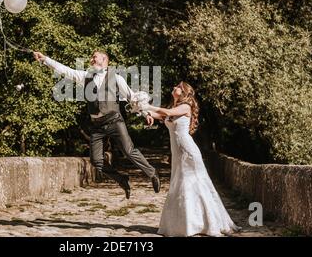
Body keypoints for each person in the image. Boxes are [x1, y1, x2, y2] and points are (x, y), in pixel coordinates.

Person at [33, 51, 160, 199]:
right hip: (97, 126)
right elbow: (66, 70)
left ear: (104, 59)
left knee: (128, 151)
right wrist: (45, 59)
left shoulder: (116, 78)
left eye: (95, 57)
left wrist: (146, 113)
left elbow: (131, 97)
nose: (91, 59)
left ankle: (152, 173)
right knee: (96, 161)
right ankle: (121, 179)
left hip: (114, 121)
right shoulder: (85, 76)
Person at [142, 81, 240, 236]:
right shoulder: (174, 108)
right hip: (177, 152)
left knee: (194, 183)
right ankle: (184, 223)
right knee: (179, 183)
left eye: (178, 87)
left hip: (188, 151)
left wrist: (147, 106)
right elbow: (161, 115)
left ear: (184, 92)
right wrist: (145, 112)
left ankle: (204, 223)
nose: (174, 87)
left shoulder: (185, 106)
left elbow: (165, 112)